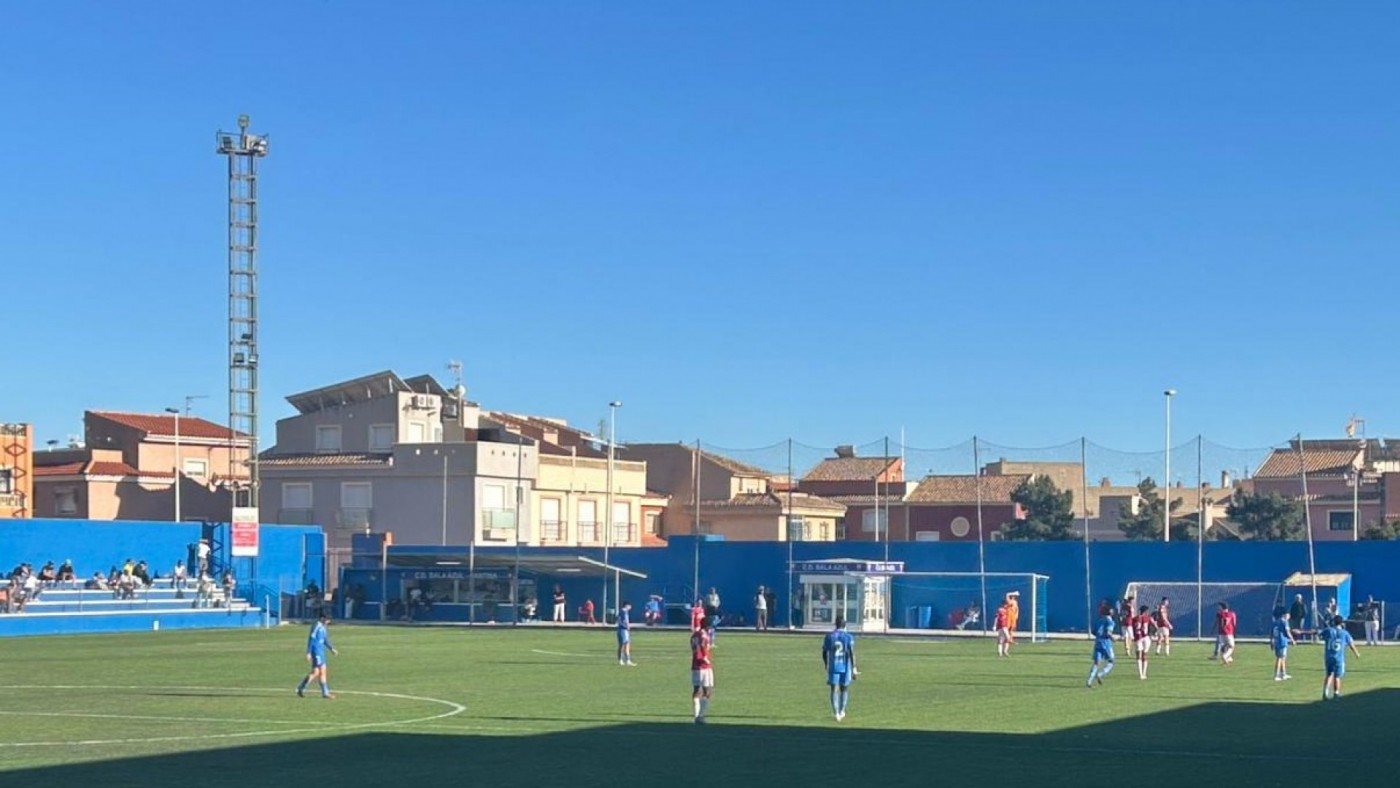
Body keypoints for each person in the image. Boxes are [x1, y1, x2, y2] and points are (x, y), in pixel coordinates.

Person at [822, 615, 857, 721]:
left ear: (835, 624)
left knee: (834, 689)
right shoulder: (848, 637)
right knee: (844, 688)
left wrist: (826, 664)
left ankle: (836, 713)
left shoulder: (829, 636)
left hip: (834, 666)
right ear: (845, 625)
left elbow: (824, 652)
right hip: (845, 666)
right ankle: (842, 711)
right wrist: (854, 667)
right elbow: (851, 652)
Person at [296, 613, 339, 699]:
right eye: (327, 620)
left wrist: (331, 649)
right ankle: (325, 693)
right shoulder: (316, 626)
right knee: (320, 671)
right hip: (316, 652)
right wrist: (308, 652)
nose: (328, 622)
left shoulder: (323, 627)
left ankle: (301, 688)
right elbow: (311, 639)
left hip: (321, 651)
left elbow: (325, 639)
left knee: (316, 672)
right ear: (322, 618)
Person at [1321, 614, 1361, 700]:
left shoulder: (1328, 630)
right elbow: (1351, 644)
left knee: (1329, 674)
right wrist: (1356, 653)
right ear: (1342, 623)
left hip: (1328, 656)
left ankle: (1325, 692)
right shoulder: (1344, 633)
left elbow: (1320, 635)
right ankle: (1336, 693)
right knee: (1337, 676)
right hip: (1339, 657)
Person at [691, 616, 715, 724]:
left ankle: (696, 715)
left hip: (695, 665)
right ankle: (700, 716)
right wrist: (705, 658)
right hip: (704, 666)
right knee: (707, 691)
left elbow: (693, 647)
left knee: (696, 690)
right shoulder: (704, 635)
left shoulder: (694, 635)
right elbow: (702, 646)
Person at [1088, 600, 1116, 687]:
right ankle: (1100, 674)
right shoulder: (1110, 622)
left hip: (1098, 643)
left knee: (1096, 662)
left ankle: (1089, 680)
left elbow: (1093, 632)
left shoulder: (1099, 620)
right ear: (1110, 613)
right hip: (1106, 644)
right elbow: (1108, 632)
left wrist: (1099, 635)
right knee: (1111, 661)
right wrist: (1112, 638)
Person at [1272, 607, 1295, 681]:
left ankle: (1283, 674)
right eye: (1288, 615)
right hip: (1282, 642)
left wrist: (1271, 642)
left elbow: (1272, 632)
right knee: (1280, 658)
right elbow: (1287, 632)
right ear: (1285, 614)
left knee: (1283, 658)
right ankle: (1276, 675)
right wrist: (1292, 639)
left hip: (1276, 641)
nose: (1289, 616)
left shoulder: (1276, 622)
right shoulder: (1284, 622)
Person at [1132, 605, 1154, 680]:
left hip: (1138, 637)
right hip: (1146, 637)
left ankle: (1141, 674)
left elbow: (1134, 627)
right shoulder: (1148, 618)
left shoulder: (1135, 618)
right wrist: (1152, 634)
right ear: (1145, 611)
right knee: (1145, 655)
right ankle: (1144, 673)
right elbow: (1152, 626)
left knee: (1138, 656)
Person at [617, 601, 636, 666]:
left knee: (622, 645)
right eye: (630, 606)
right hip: (623, 630)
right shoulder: (624, 612)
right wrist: (627, 626)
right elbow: (624, 620)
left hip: (620, 629)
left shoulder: (621, 611)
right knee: (625, 645)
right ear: (626, 605)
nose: (630, 607)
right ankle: (626, 660)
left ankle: (623, 660)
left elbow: (619, 620)